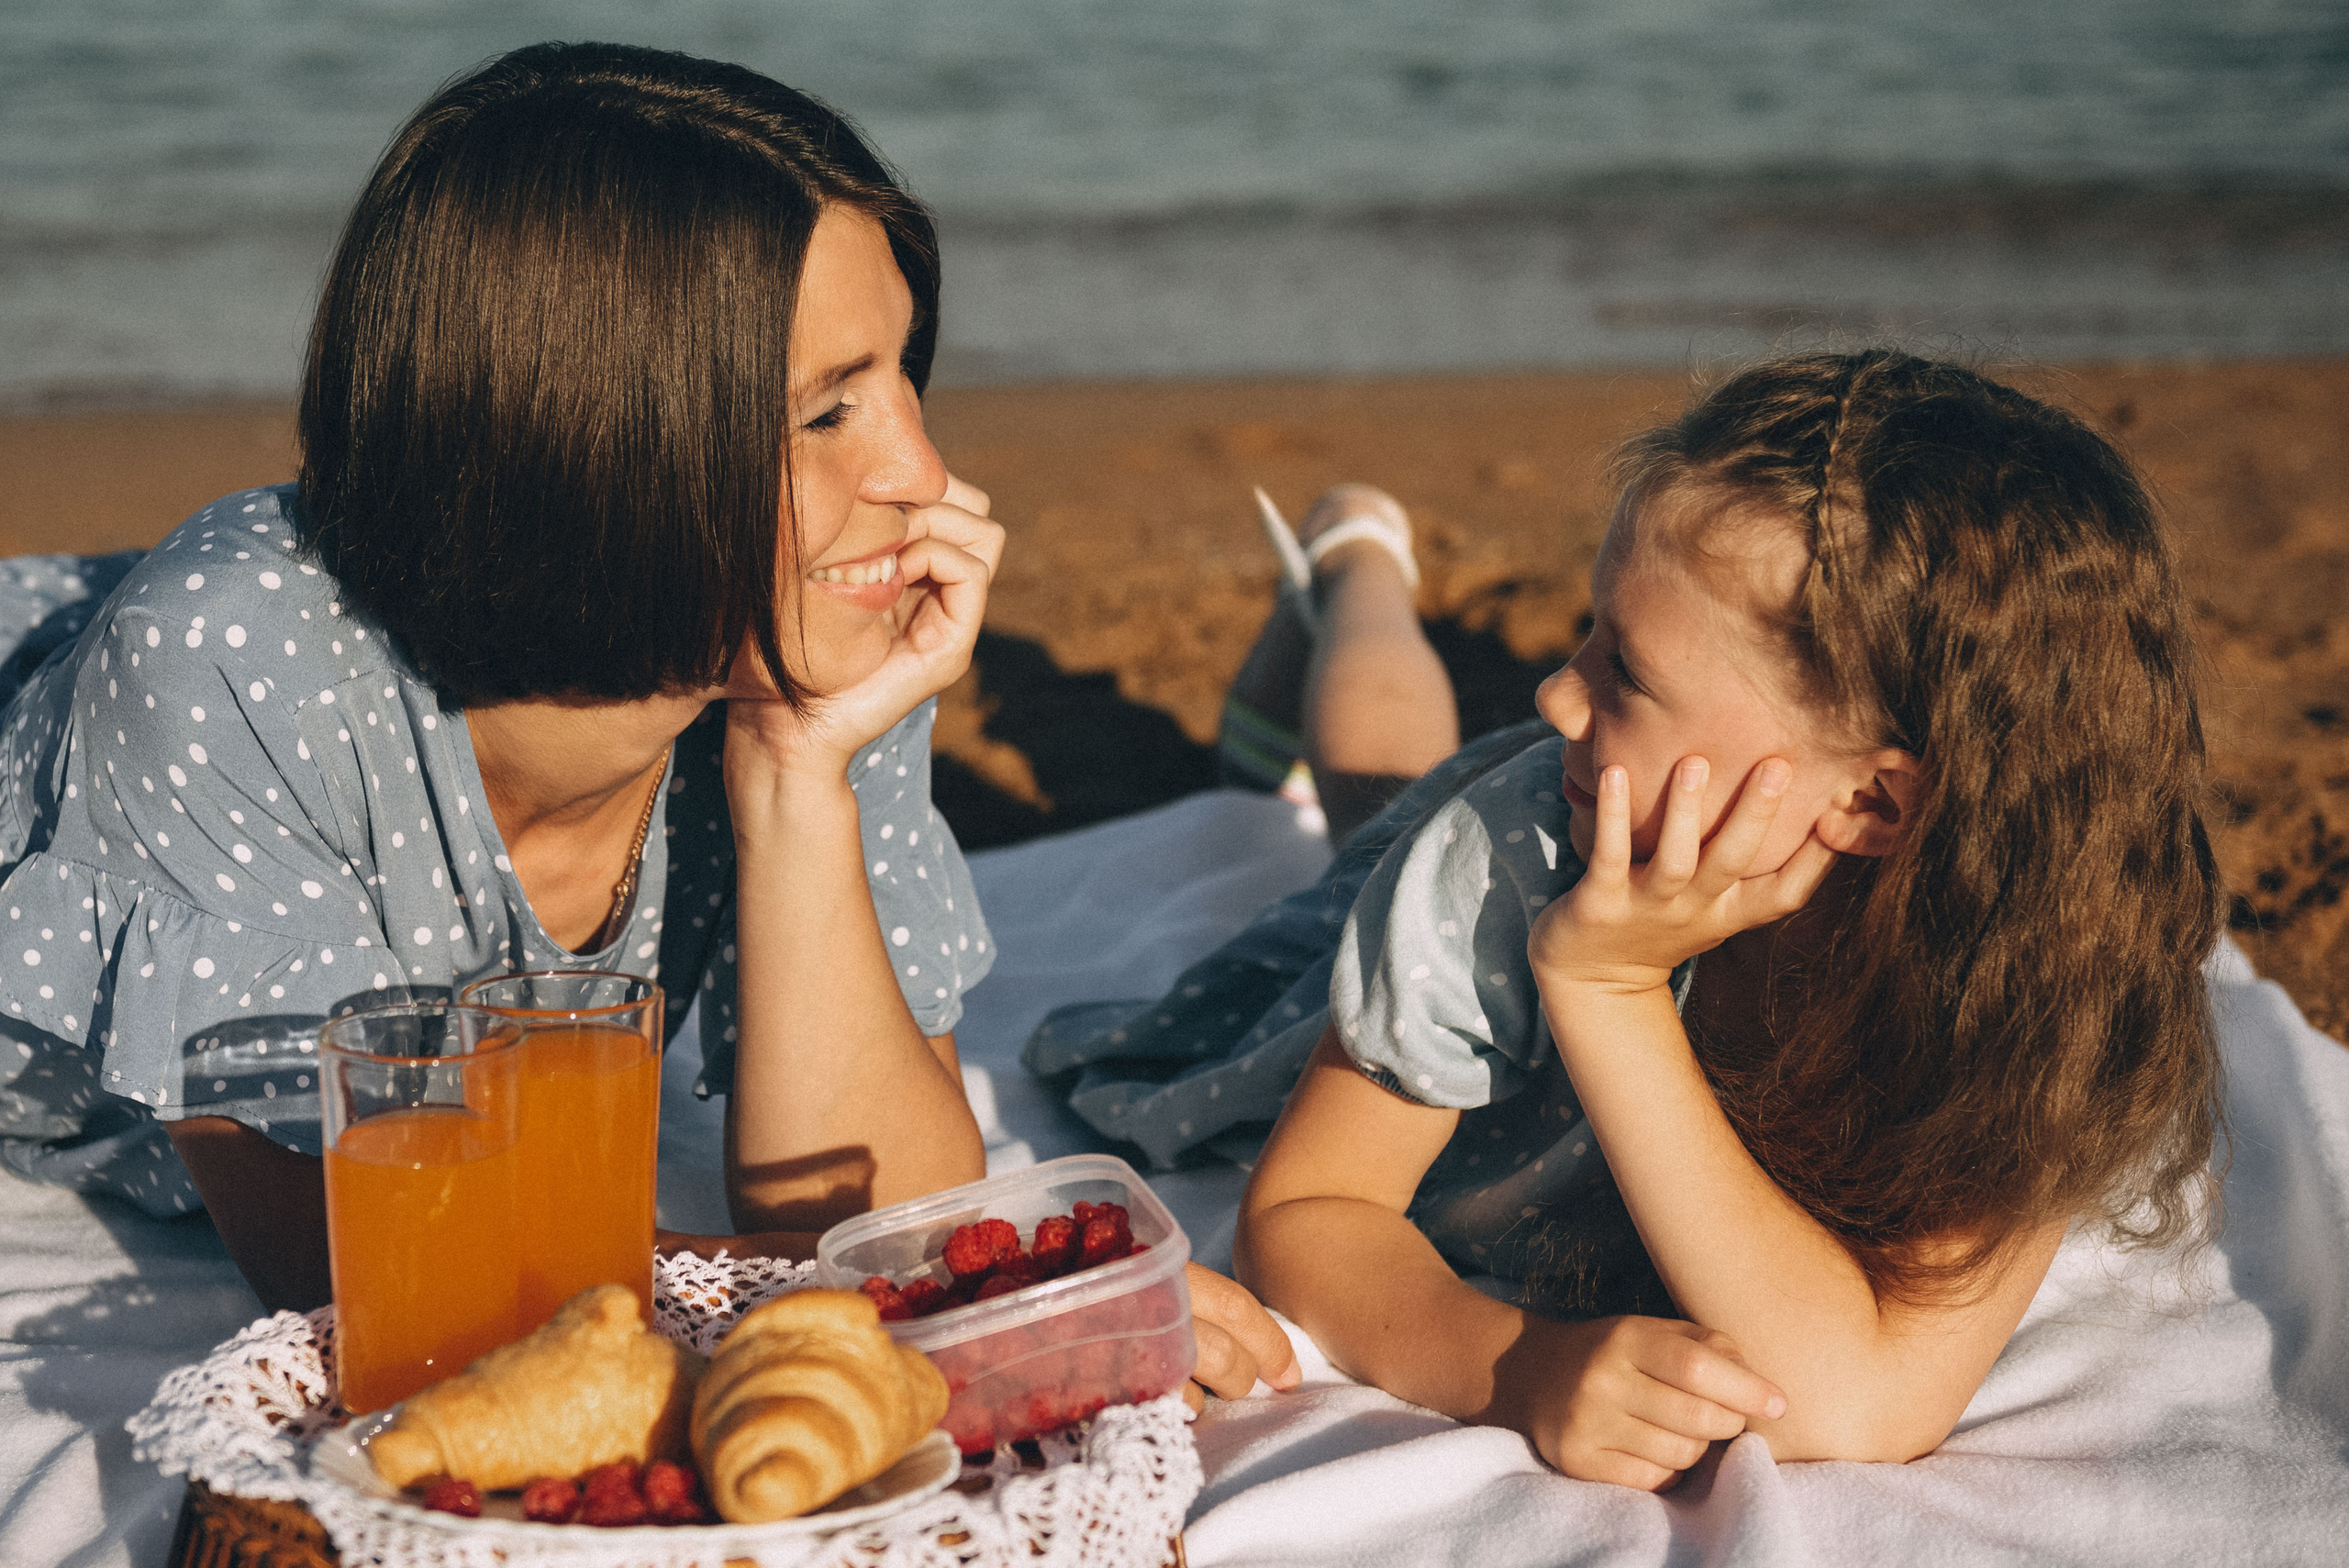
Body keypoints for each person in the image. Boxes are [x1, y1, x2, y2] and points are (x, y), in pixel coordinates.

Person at [0, 41, 1294, 1407]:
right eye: (826, 411)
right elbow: (361, 1268)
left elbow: (866, 1196)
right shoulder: (233, 667)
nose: (920, 474)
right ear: (594, 442)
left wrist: (801, 770)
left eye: (904, 375)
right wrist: (938, 1303)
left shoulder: (801, 627)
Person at [1030, 350, 2220, 1482]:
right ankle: (1357, 570)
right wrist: (1516, 1362)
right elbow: (1305, 1213)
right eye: (1587, 629)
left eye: (1626, 672)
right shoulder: (1512, 850)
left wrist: (1610, 999)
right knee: (1377, 810)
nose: (1555, 688)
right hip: (1497, 858)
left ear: (1873, 797)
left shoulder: (2041, 968)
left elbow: (1862, 1401)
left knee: (1390, 792)